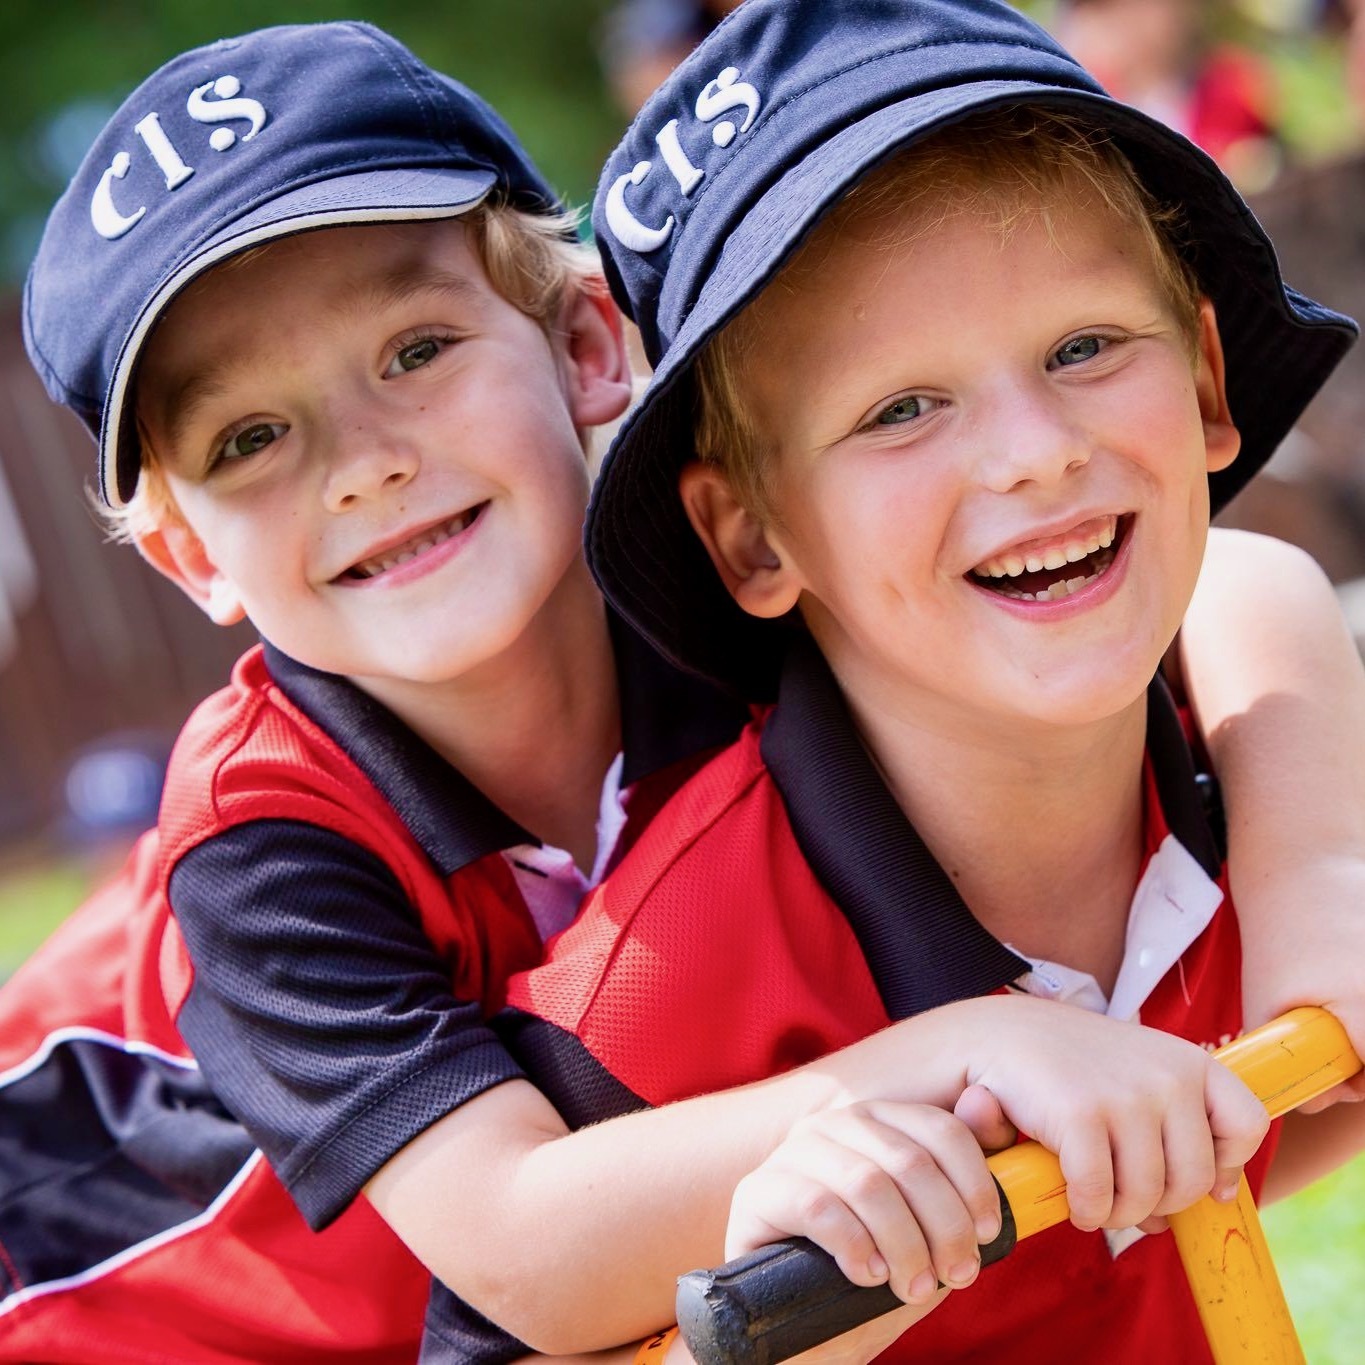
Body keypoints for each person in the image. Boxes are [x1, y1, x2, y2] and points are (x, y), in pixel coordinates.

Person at [2, 13, 1359, 1365]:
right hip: (121, 1277)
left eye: (415, 352)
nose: (363, 464)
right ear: (186, 556)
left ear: (587, 341)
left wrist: (1322, 886)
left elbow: (1233, 583)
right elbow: (522, 1238)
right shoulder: (256, 840)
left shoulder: (742, 580)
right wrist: (970, 1051)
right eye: (250, 437)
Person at [501, 0, 1365, 1359]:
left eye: (1082, 347)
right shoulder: (662, 989)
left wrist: (1324, 886)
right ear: (752, 535)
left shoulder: (1239, 763)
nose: (1031, 454)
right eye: (899, 409)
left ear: (1205, 382)